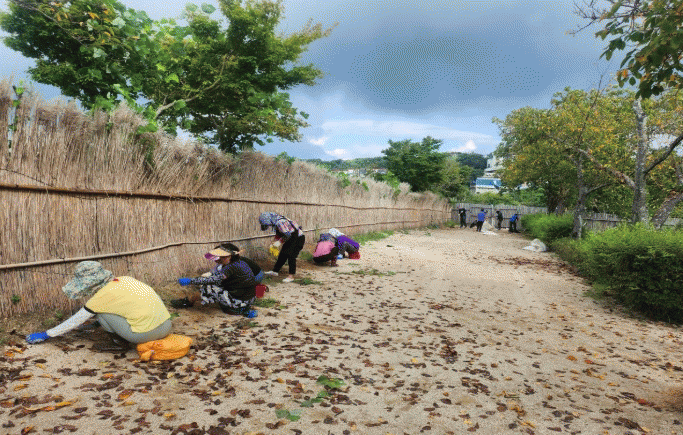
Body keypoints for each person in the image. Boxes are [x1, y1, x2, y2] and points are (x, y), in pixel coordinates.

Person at [26, 261, 172, 347]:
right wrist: (95, 325)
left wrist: (47, 334)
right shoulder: (126, 279)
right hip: (166, 325)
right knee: (109, 311)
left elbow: (76, 320)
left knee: (101, 313)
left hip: (144, 335)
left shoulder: (100, 298)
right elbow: (131, 306)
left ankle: (119, 344)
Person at [177, 245, 258, 317]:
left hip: (239, 303)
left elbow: (213, 280)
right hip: (248, 299)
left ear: (229, 256)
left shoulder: (230, 267)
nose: (218, 259)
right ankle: (244, 309)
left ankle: (188, 302)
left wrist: (191, 281)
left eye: (221, 257)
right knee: (215, 284)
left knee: (208, 286)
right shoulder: (240, 262)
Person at [259, 212, 306, 283]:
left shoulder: (280, 222)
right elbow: (279, 234)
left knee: (291, 256)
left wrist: (279, 242)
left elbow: (288, 235)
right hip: (291, 237)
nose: (268, 225)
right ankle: (275, 271)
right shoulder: (276, 221)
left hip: (298, 238)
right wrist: (273, 243)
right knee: (283, 254)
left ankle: (291, 276)